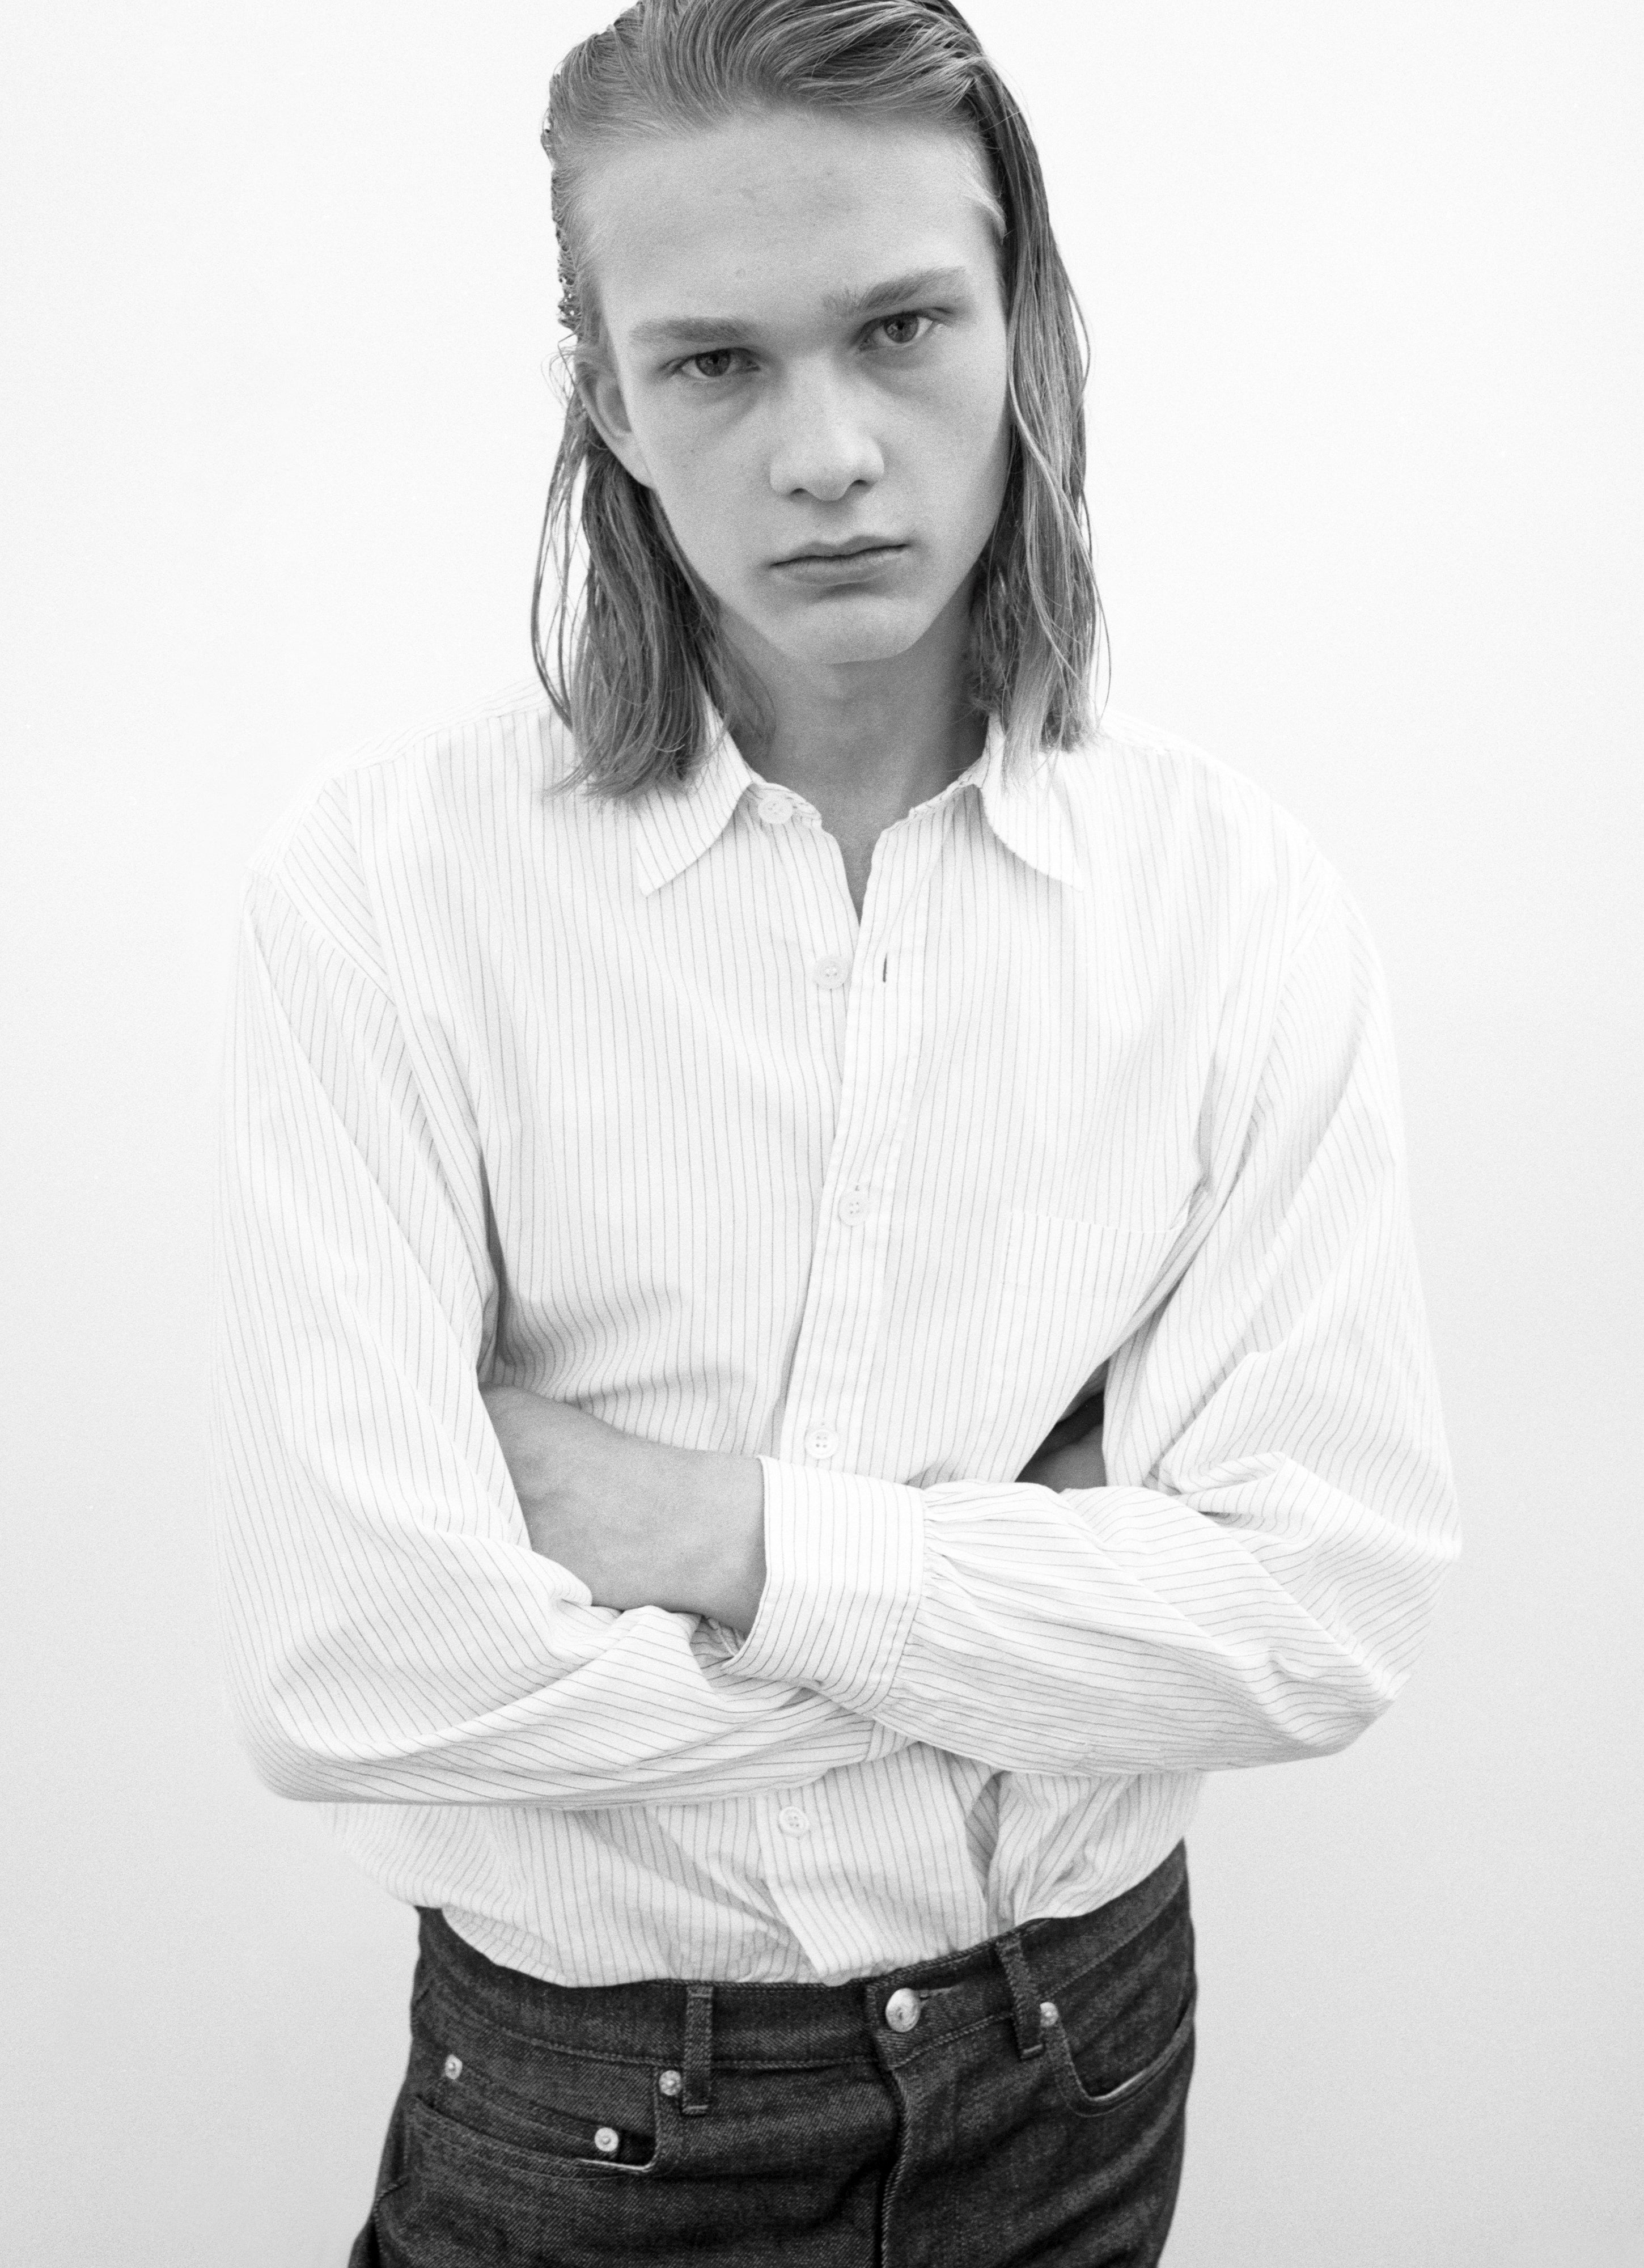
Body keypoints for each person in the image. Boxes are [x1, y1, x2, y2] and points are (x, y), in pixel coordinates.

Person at [209, 2, 1460, 2260]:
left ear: (1021, 320)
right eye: (712, 363)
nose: (826, 454)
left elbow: (1319, 1611)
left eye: (899, 327)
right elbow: (358, 1674)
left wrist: (714, 1532)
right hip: (589, 2109)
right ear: (607, 400)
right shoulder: (387, 892)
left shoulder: (1229, 903)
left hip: (1079, 2065)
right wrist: (1024, 1626)